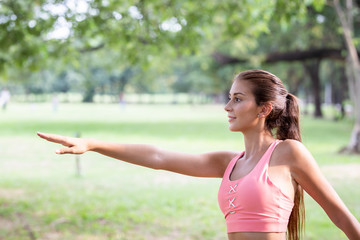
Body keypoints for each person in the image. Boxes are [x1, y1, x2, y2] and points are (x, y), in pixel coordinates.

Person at [37, 70, 360, 240]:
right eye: (228, 97)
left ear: (263, 108)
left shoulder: (288, 153)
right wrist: (94, 144)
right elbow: (159, 157)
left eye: (237, 99)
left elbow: (340, 216)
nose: (227, 106)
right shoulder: (228, 162)